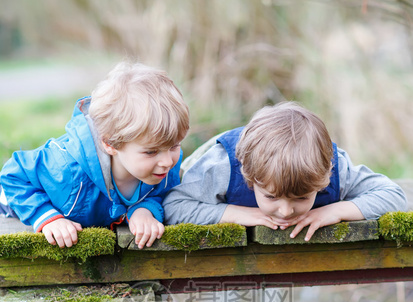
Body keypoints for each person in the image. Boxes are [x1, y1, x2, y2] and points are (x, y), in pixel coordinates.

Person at [0, 61, 189, 249]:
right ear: (109, 143)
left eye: (174, 146)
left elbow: (163, 192)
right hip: (14, 209)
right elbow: (13, 176)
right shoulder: (65, 167)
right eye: (151, 151)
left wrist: (145, 209)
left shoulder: (164, 167)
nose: (167, 161)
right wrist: (47, 217)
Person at [163, 102, 407, 241]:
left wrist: (336, 211)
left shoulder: (335, 166)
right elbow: (173, 206)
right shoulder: (222, 167)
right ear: (250, 177)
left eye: (301, 198)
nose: (286, 211)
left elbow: (393, 196)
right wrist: (234, 213)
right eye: (270, 196)